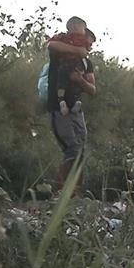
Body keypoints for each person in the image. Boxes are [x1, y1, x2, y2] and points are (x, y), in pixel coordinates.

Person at [46, 17, 97, 193]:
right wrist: (77, 49)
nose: (88, 48)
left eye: (89, 46)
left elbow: (92, 89)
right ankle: (58, 194)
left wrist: (79, 81)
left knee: (81, 149)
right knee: (72, 149)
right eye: (87, 44)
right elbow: (51, 45)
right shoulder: (61, 49)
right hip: (59, 108)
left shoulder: (86, 62)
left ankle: (74, 194)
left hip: (77, 109)